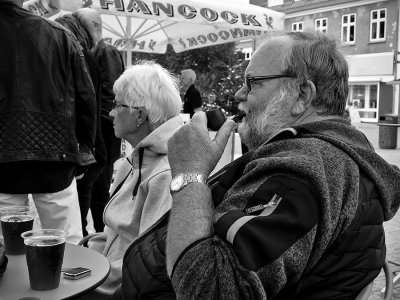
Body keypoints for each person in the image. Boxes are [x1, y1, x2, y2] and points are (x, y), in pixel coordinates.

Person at [166, 31, 400, 299]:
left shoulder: (302, 172)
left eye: (252, 82)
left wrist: (189, 173)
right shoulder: (335, 153)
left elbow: (208, 289)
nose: (238, 93)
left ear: (301, 95)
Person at [0, 0, 96, 244]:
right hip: (55, 156)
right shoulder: (60, 36)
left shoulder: (62, 35)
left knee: (5, 249)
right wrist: (83, 153)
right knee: (69, 246)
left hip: (4, 158)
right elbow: (87, 99)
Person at [86, 60, 183, 297]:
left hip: (112, 289)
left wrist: (88, 278)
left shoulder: (166, 174)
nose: (110, 113)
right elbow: (116, 235)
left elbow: (146, 264)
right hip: (100, 274)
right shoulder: (135, 160)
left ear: (139, 115)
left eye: (116, 105)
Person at [55, 12, 107, 237]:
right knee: (87, 200)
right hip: (90, 146)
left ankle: (86, 246)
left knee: (80, 204)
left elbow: (88, 105)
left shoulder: (80, 58)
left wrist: (86, 148)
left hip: (85, 148)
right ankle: (92, 241)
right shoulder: (84, 57)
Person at [77, 8, 125, 234]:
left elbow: (113, 95)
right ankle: (98, 231)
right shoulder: (93, 51)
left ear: (94, 28)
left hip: (103, 130)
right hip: (99, 130)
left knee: (99, 184)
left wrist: (105, 129)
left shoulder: (105, 51)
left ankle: (99, 231)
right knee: (96, 185)